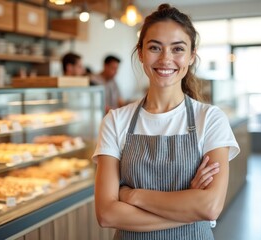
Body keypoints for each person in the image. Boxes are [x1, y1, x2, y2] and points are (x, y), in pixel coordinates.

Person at [93, 4, 240, 240]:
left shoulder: (211, 119)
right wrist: (188, 206)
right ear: (140, 52)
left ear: (191, 56)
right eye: (154, 47)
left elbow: (210, 206)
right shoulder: (115, 121)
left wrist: (133, 196)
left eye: (178, 49)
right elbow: (107, 214)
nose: (165, 59)